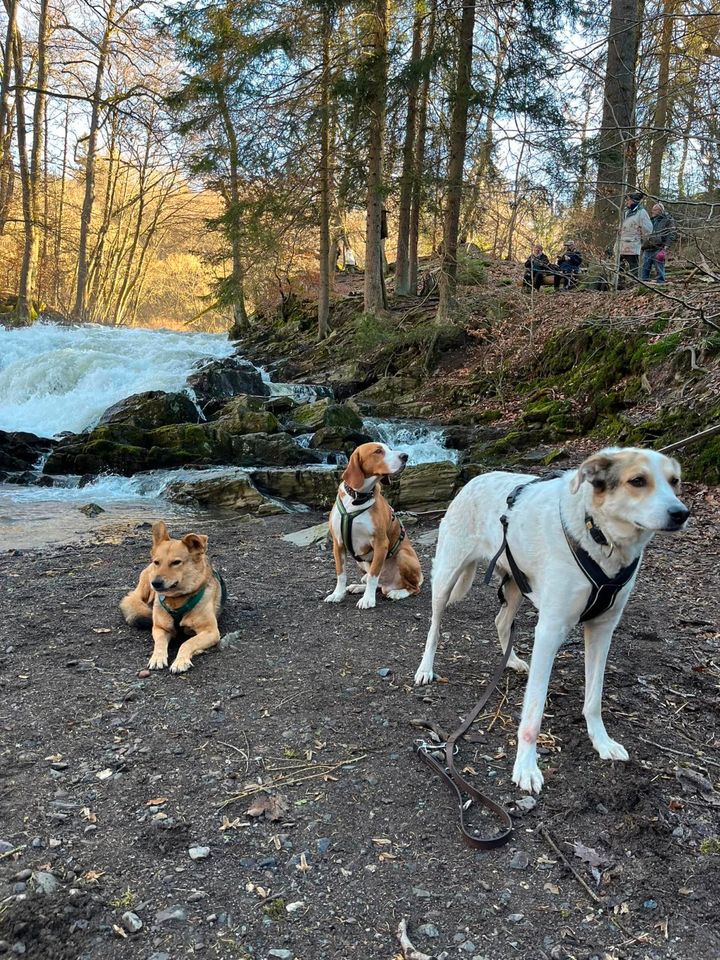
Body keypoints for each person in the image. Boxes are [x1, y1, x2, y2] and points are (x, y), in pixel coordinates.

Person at [618, 191, 653, 282]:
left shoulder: (641, 212)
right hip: (621, 244)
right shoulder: (626, 212)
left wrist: (641, 238)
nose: (627, 202)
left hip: (633, 244)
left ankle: (633, 285)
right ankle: (619, 285)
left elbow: (648, 229)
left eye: (628, 200)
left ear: (634, 201)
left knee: (633, 267)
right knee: (619, 266)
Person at [641, 202, 676, 284]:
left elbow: (672, 233)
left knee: (660, 270)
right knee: (644, 270)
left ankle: (661, 284)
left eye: (655, 210)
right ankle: (644, 284)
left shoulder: (668, 219)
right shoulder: (650, 220)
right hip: (647, 247)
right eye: (652, 210)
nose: (652, 212)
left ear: (661, 210)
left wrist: (666, 247)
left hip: (659, 248)